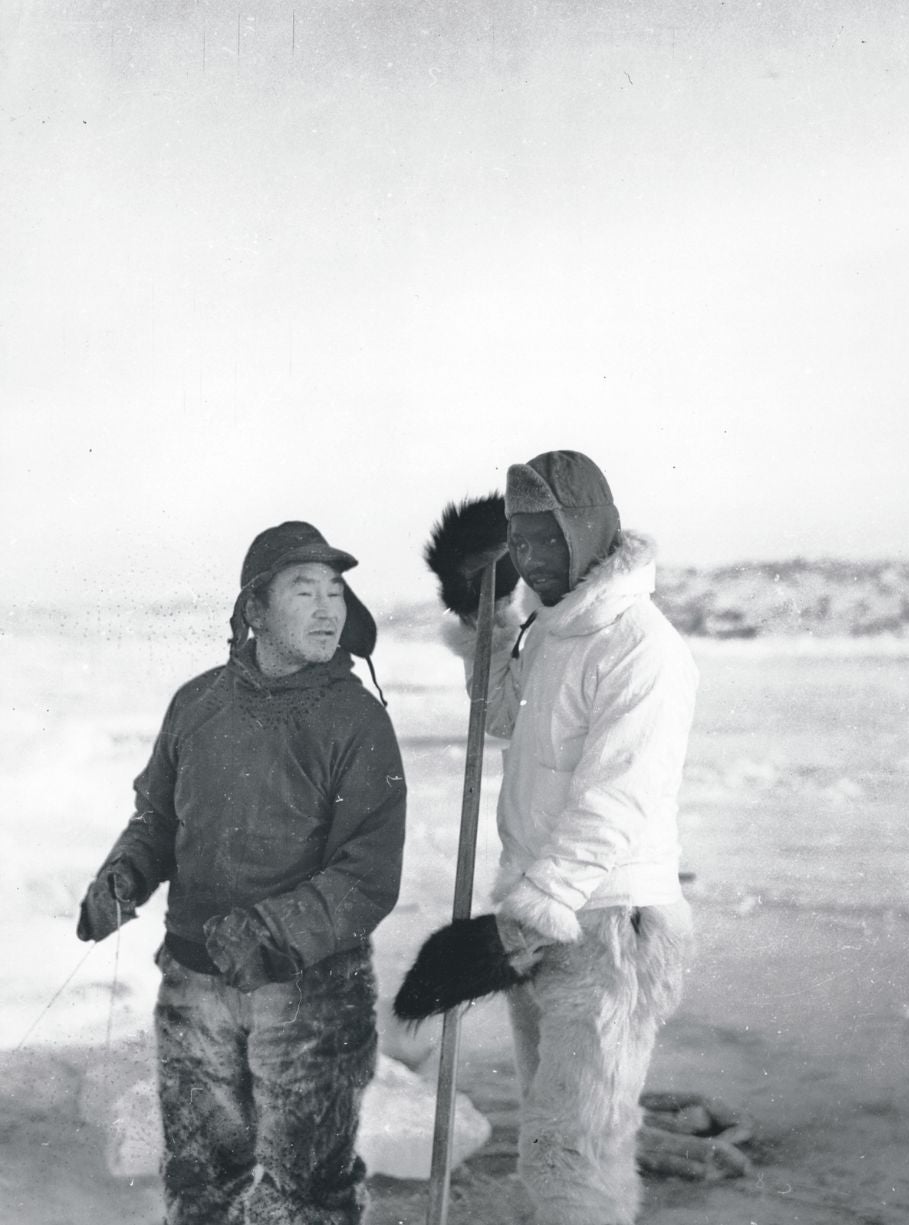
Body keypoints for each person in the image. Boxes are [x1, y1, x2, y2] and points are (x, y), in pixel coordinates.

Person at [76, 521, 406, 1225]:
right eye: (305, 590)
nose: (327, 609)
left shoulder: (356, 721)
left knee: (304, 1197)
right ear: (254, 608)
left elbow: (368, 873)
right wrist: (123, 875)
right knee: (201, 1188)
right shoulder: (196, 704)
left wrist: (269, 930)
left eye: (336, 593)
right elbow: (158, 820)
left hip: (310, 996)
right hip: (195, 986)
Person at [431, 451, 698, 1225]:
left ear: (587, 533)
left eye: (546, 539)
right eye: (520, 543)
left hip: (608, 923)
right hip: (543, 917)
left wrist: (538, 902)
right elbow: (506, 716)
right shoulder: (553, 629)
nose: (533, 559)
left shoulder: (639, 644)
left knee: (568, 1150)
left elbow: (617, 795)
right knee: (563, 1146)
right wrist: (489, 623)